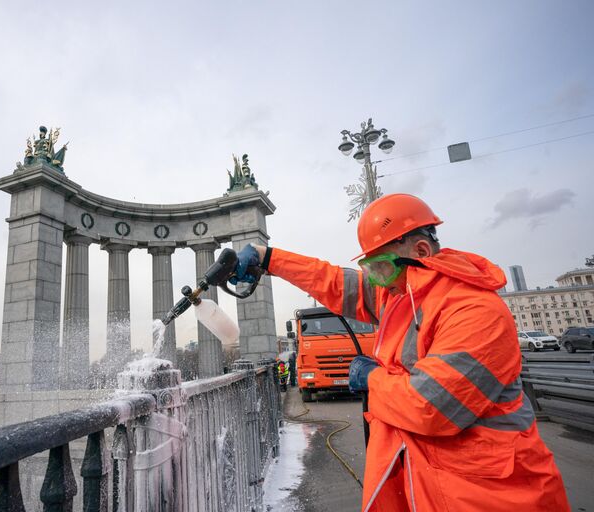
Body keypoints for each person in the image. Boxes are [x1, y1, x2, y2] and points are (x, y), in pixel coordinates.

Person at [235, 193, 569, 512]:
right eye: (371, 270)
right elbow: (334, 281)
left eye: (380, 268)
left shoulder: (475, 311)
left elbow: (432, 407)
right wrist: (270, 258)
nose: (377, 282)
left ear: (421, 251)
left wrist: (373, 379)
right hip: (430, 480)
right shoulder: (401, 292)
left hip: (488, 494)